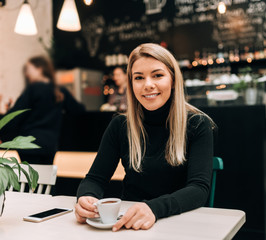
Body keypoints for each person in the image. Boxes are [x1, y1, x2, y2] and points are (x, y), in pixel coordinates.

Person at [75, 43, 215, 231]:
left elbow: (199, 189)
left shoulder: (198, 124)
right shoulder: (120, 125)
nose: (148, 85)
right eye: (139, 78)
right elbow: (94, 179)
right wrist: (86, 198)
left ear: (173, 80)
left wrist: (153, 208)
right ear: (131, 84)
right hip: (130, 226)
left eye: (158, 75)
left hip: (181, 224)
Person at [0, 56, 85, 164]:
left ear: (39, 69)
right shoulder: (60, 90)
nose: (27, 74)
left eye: (28, 70)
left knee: (31, 178)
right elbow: (79, 110)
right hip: (50, 144)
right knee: (46, 178)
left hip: (29, 144)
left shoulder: (33, 89)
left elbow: (16, 115)